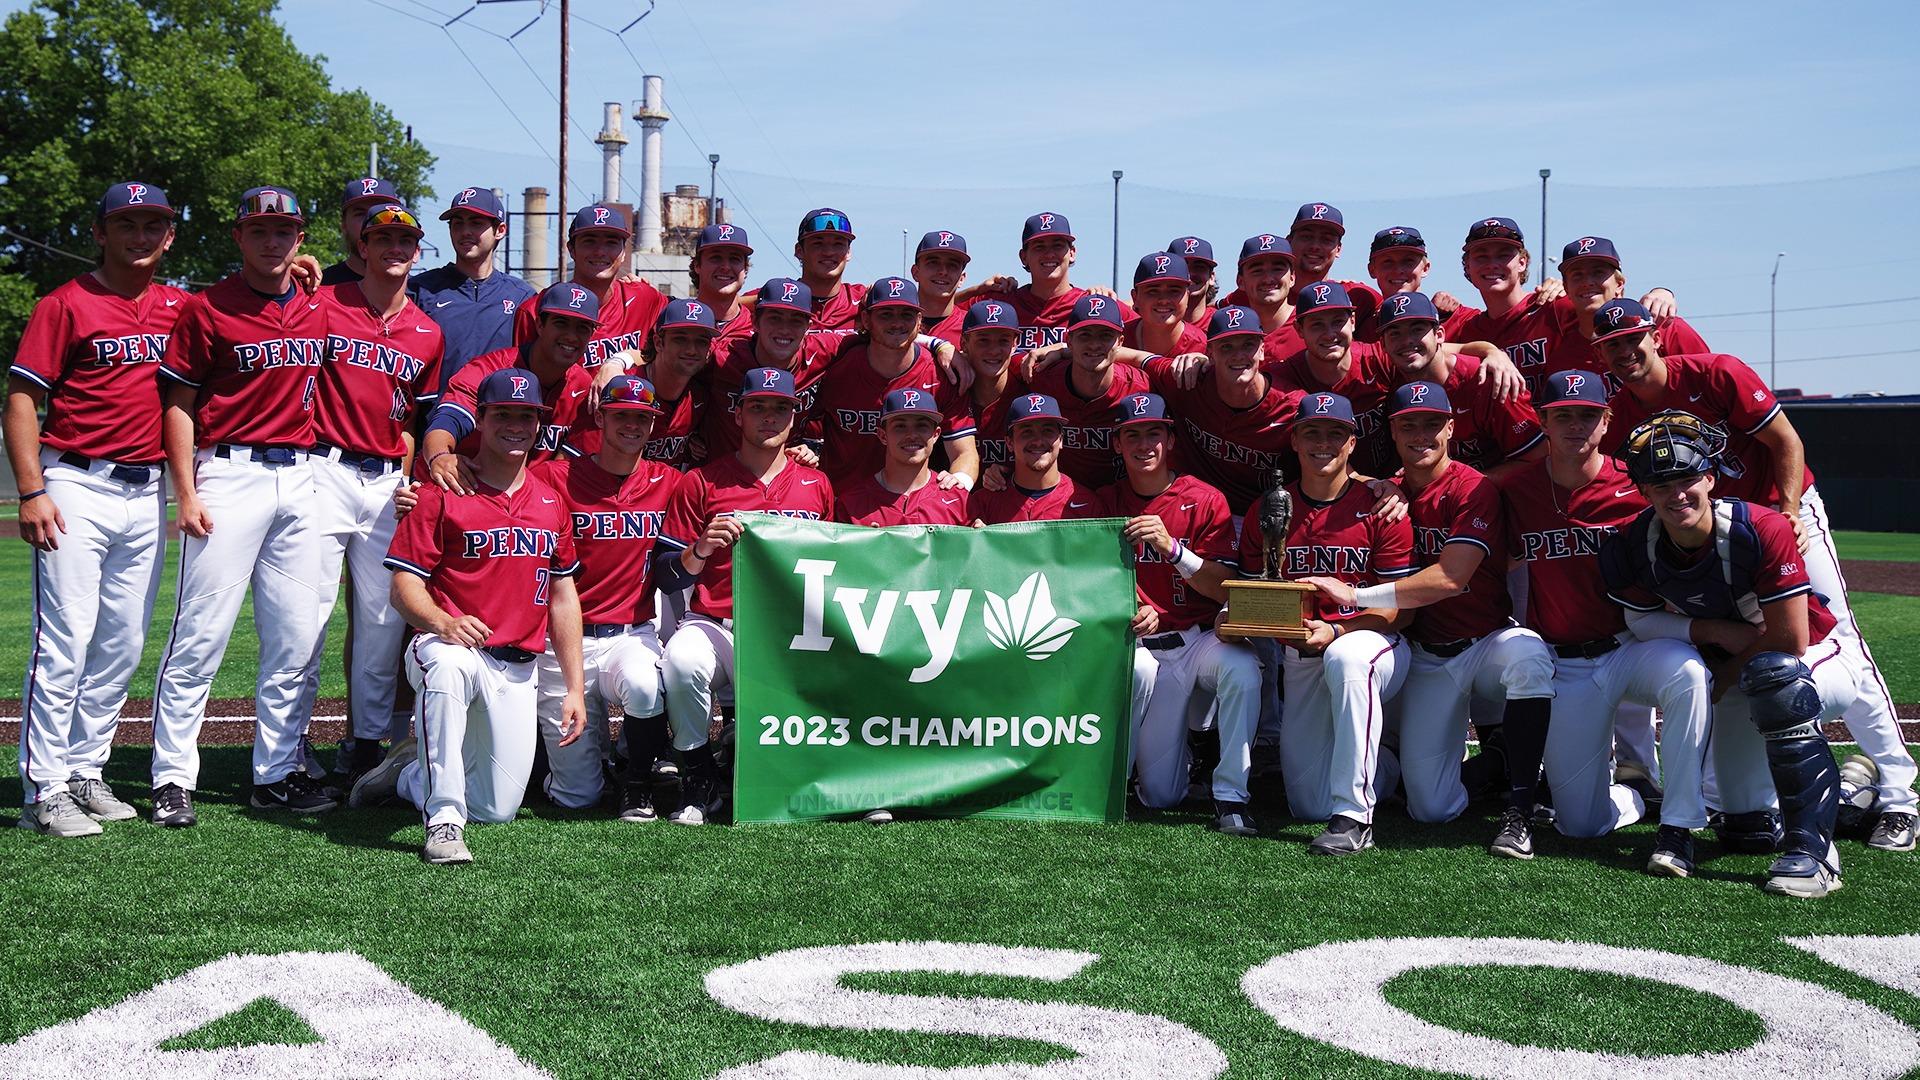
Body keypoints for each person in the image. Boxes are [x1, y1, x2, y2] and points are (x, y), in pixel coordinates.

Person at [1594, 298, 1915, 850]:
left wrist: (1789, 513)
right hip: (1712, 529)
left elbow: (1786, 442)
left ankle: (1900, 793)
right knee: (1727, 659)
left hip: (1778, 512)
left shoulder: (1716, 372)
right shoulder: (1623, 413)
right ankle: (1731, 797)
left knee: (1835, 638)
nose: (1625, 352)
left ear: (1656, 335)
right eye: (1612, 346)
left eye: (1632, 339)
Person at [1602, 418, 1860, 895]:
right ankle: (1854, 795)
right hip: (1741, 670)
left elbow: (1790, 639)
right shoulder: (1634, 542)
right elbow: (1640, 622)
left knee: (1779, 679)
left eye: (1686, 479)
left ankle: (1815, 855)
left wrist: (1722, 674)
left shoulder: (1758, 527)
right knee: (1748, 828)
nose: (1676, 494)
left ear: (1710, 478)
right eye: (1661, 484)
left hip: (1812, 657)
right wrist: (1714, 634)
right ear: (1642, 490)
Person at [1299, 382, 1556, 856]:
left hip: (1484, 643)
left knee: (1529, 655)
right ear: (1392, 433)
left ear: (1451, 428)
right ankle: (1492, 766)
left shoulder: (1474, 486)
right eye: (1408, 424)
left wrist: (1356, 595)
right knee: (1431, 808)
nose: (1421, 434)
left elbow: (1451, 578)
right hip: (1427, 656)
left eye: (1432, 423)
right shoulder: (1386, 490)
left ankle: (1522, 807)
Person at [9, 181, 186, 836]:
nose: (140, 237)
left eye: (153, 226)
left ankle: (86, 768)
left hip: (147, 492)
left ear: (170, 236)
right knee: (65, 638)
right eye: (127, 225)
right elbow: (22, 400)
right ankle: (45, 787)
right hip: (76, 485)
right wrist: (31, 490)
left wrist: (299, 277)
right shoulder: (65, 304)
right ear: (100, 232)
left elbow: (247, 317)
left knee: (121, 642)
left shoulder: (180, 308)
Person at [352, 369, 586, 864]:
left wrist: (573, 687)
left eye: (527, 416)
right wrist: (442, 623)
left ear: (541, 423)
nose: (516, 425)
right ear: (480, 419)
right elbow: (403, 588)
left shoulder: (550, 501)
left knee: (497, 810)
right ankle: (442, 821)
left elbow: (564, 596)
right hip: (449, 644)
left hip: (517, 664)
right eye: (503, 414)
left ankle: (408, 774)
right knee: (449, 666)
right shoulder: (439, 492)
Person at [151, 185, 331, 825]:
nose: (272, 239)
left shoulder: (316, 305)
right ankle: (173, 777)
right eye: (260, 229)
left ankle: (276, 773)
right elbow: (177, 403)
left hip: (301, 476)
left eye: (283, 230)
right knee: (199, 636)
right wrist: (186, 491)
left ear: (299, 238)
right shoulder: (206, 308)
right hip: (229, 473)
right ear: (240, 236)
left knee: (295, 638)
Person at [1497, 370, 1711, 873]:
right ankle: (1634, 792)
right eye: (1563, 415)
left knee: (1688, 675)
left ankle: (1678, 828)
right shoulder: (1515, 489)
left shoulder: (1637, 486)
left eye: (1588, 415)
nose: (1576, 424)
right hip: (1565, 663)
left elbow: (1702, 523)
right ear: (1542, 421)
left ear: (1606, 420)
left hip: (1632, 645)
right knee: (1581, 824)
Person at [655, 368, 835, 825]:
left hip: (792, 630)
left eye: (780, 407)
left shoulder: (818, 484)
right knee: (681, 659)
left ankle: (804, 774)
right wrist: (700, 548)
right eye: (758, 406)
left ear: (795, 417)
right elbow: (666, 577)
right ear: (738, 413)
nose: (769, 417)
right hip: (717, 623)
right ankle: (698, 777)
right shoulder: (701, 481)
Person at [302, 203, 444, 782]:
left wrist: (409, 479)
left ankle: (363, 742)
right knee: (306, 619)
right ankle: (288, 752)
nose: (395, 248)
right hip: (324, 469)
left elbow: (413, 418)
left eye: (405, 240)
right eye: (382, 238)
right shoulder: (324, 305)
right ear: (362, 246)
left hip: (387, 479)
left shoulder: (427, 332)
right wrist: (296, 265)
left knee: (383, 623)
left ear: (417, 250)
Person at [1239, 392, 1413, 856]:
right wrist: (1242, 615)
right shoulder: (1270, 508)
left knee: (1345, 656)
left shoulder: (1379, 505)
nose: (1323, 443)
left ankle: (1355, 818)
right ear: (1294, 440)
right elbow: (1259, 591)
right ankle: (1389, 770)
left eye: (1335, 433)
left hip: (1373, 645)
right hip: (1301, 655)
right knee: (1305, 804)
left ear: (1352, 442)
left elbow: (1402, 608)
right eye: (1311, 432)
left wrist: (1338, 630)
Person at [1099, 393, 1261, 836]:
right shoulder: (1103, 501)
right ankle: (1128, 774)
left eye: (1154, 432)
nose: (1144, 443)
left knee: (1243, 668)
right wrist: (1128, 608)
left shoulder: (1204, 498)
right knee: (1162, 795)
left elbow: (1224, 586)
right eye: (1132, 434)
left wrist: (1174, 550)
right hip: (1143, 646)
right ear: (1117, 443)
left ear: (1170, 439)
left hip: (1197, 639)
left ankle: (1231, 797)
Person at [529, 375, 681, 821]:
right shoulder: (554, 476)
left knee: (644, 683)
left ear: (653, 426)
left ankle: (637, 781)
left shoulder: (668, 481)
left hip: (628, 634)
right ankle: (555, 766)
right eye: (621, 416)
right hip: (561, 641)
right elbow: (496, 486)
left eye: (642, 418)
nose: (632, 425)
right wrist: (431, 479)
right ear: (600, 416)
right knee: (577, 798)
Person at [421, 283, 601, 494]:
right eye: (561, 323)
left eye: (582, 327)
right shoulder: (488, 370)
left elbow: (564, 467)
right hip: (458, 488)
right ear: (540, 325)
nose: (571, 336)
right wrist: (439, 456)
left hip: (522, 501)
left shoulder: (584, 387)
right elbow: (448, 421)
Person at [811, 277, 978, 492]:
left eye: (906, 315)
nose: (897, 323)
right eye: (886, 314)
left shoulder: (942, 374)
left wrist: (958, 486)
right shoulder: (837, 362)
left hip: (911, 513)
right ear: (866, 319)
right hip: (842, 507)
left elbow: (964, 452)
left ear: (919, 320)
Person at [1374, 292, 1543, 478]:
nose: (1407, 341)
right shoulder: (1392, 372)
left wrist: (1460, 486)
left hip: (1493, 496)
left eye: (1417, 330)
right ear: (1383, 345)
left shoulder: (1487, 381)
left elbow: (1537, 458)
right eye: (1395, 333)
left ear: (1439, 335)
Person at [411, 186, 535, 392]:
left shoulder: (522, 296)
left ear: (500, 230)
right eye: (457, 224)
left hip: (500, 417)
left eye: (476, 223)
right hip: (434, 419)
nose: (465, 231)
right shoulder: (420, 290)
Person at [510, 203, 666, 368]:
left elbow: (672, 357)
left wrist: (623, 359)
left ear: (623, 252)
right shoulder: (535, 310)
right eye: (589, 241)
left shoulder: (646, 298)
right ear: (571, 249)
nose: (600, 251)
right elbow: (523, 380)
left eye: (611, 242)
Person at [702, 277, 840, 459]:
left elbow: (875, 341)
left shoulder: (824, 351)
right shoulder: (722, 357)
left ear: (809, 327)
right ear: (755, 322)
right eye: (775, 318)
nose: (784, 329)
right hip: (720, 476)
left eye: (796, 321)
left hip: (785, 475)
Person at [1020, 293, 1148, 488]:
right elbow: (986, 362)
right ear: (1069, 341)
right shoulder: (1040, 374)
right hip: (1061, 504)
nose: (1095, 344)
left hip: (1123, 501)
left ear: (1120, 342)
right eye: (1085, 335)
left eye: (1105, 336)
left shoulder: (1143, 387)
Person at [971, 213, 1131, 353]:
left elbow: (1147, 324)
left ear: (1072, 253)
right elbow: (948, 313)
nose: (1049, 254)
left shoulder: (1093, 305)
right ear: (1023, 257)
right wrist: (977, 289)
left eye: (1058, 246)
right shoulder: (1001, 303)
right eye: (1039, 247)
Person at [835, 388, 973, 527]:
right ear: (883, 436)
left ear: (936, 435)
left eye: (921, 426)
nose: (912, 435)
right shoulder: (851, 504)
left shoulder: (959, 500)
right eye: (900, 426)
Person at [966, 394, 1090, 525]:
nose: (1038, 441)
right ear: (1009, 443)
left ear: (1061, 440)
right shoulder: (982, 504)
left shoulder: (1086, 503)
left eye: (1047, 430)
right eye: (1027, 432)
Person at [785, 207, 866, 341]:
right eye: (818, 243)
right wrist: (763, 298)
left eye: (838, 244)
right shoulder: (777, 299)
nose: (828, 252)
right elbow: (737, 306)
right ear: (799, 250)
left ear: (849, 252)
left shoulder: (864, 301)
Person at [1123, 252, 1210, 357]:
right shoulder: (1115, 340)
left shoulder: (1205, 348)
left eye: (1174, 291)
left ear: (1187, 296)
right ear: (1135, 297)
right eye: (1153, 291)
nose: (1164, 300)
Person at [687, 223, 755, 352]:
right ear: (697, 265)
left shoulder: (760, 331)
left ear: (745, 268)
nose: (726, 267)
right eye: (716, 258)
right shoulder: (674, 323)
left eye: (734, 259)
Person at [319, 176, 399, 285]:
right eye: (360, 214)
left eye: (380, 213)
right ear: (344, 224)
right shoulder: (318, 286)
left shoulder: (417, 292)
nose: (369, 221)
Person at [1165, 236, 1218, 327]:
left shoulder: (1221, 323)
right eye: (1182, 267)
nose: (1190, 274)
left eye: (1199, 267)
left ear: (1211, 277)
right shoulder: (1149, 323)